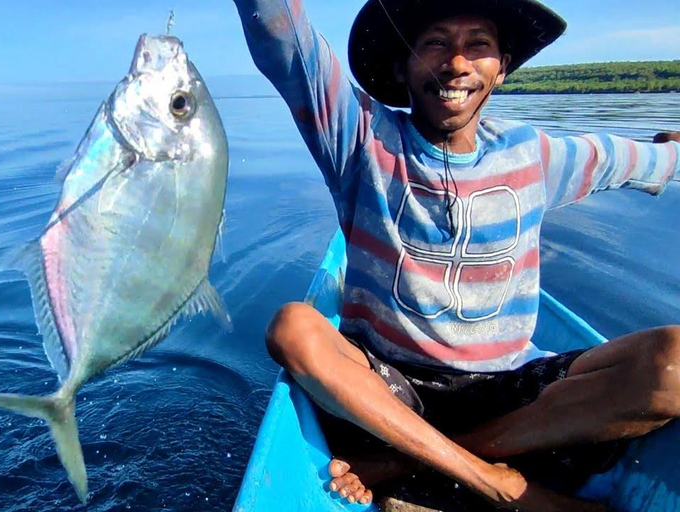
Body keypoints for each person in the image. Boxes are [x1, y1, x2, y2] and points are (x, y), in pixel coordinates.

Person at [232, 0, 680, 510]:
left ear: (502, 68)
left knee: (674, 364)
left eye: (479, 46)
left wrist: (671, 151)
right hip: (391, 386)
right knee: (293, 328)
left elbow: (622, 160)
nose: (457, 63)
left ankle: (407, 463)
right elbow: (284, 40)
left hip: (509, 390)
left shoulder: (532, 155)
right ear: (403, 65)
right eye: (437, 43)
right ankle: (496, 481)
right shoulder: (361, 140)